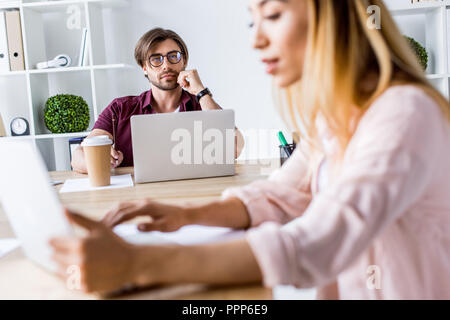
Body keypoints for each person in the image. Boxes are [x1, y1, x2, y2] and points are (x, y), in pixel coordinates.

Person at [51, 0, 450, 299]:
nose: (257, 39)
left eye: (273, 16)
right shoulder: (335, 117)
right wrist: (187, 215)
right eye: (252, 21)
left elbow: (318, 241)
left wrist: (139, 263)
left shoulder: (402, 112)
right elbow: (281, 195)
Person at [71, 28, 244, 172]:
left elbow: (234, 148)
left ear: (183, 62)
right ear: (144, 68)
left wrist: (201, 91)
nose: (166, 65)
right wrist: (101, 161)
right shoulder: (120, 108)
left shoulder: (202, 105)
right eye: (156, 59)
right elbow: (78, 157)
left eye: (173, 56)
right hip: (137, 198)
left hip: (191, 194)